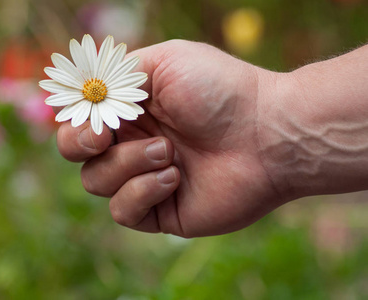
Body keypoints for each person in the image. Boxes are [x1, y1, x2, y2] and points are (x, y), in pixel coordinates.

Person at [55, 39, 368, 238]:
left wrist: (261, 116)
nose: (93, 89)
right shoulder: (93, 100)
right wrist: (264, 123)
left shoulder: (116, 88)